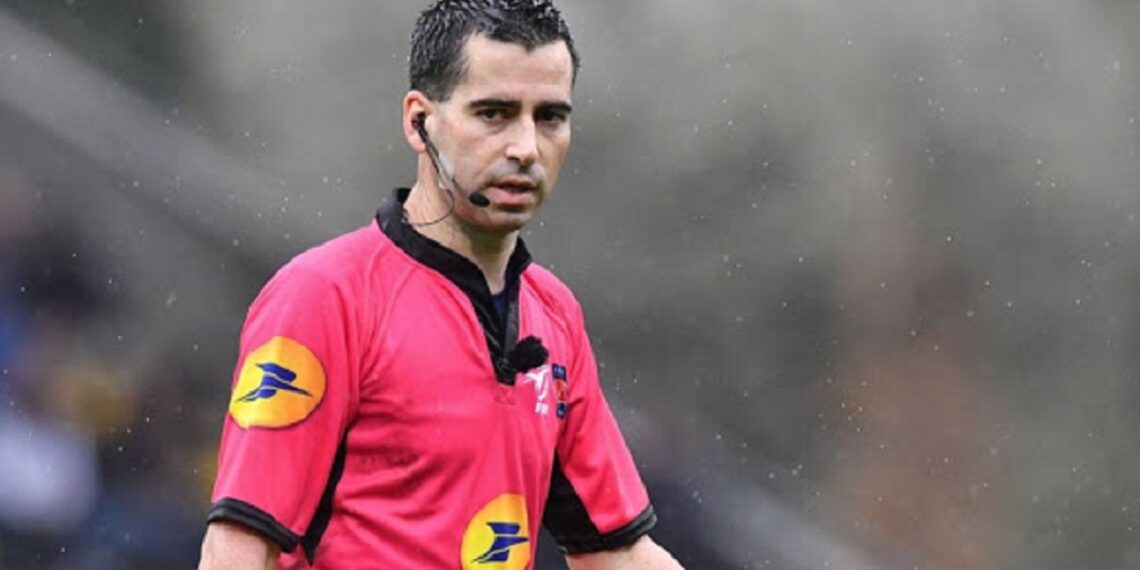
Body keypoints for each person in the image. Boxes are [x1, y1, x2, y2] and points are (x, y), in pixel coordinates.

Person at [198, 1, 684, 568]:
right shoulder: (323, 296)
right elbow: (236, 549)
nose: (526, 148)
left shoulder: (554, 313)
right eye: (494, 113)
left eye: (549, 116)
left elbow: (617, 554)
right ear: (418, 122)